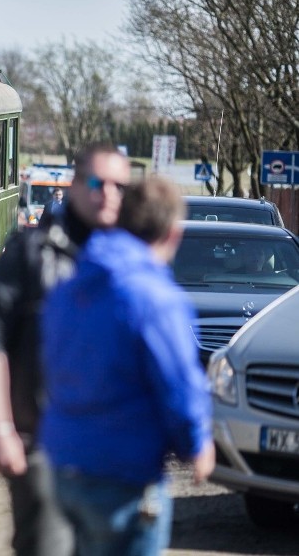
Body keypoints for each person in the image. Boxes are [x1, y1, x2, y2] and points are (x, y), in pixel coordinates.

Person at [39, 177, 215, 556]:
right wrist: (197, 443)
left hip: (62, 463)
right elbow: (179, 385)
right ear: (173, 234)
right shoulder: (157, 299)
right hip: (122, 474)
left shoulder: (73, 285)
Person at [0, 143, 130, 556]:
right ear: (76, 185)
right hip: (44, 444)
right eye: (98, 182)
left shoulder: (133, 262)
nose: (109, 193)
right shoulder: (31, 252)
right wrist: (0, 427)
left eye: (121, 186)